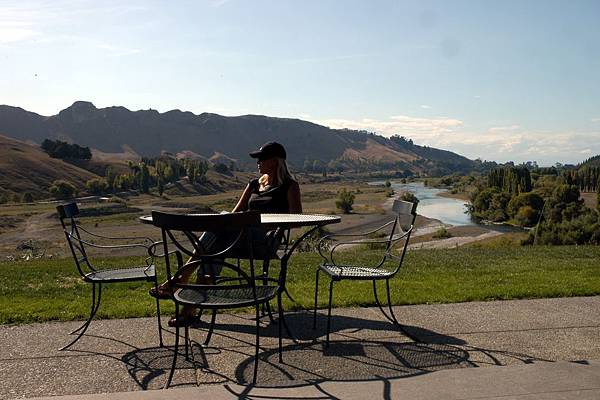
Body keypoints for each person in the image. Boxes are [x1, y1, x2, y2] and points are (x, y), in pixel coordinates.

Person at [150, 141, 302, 326]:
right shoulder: (254, 184)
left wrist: (264, 222)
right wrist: (235, 221)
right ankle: (188, 310)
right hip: (238, 238)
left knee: (222, 231)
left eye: (261, 159)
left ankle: (181, 279)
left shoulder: (289, 186)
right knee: (219, 236)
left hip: (265, 241)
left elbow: (296, 220)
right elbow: (234, 214)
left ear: (275, 162)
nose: (258, 163)